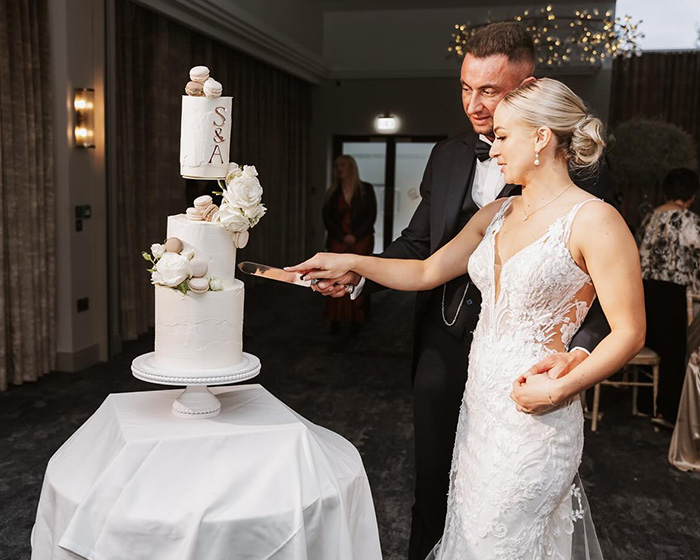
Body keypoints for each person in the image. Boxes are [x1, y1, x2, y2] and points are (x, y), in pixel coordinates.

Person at [289, 77, 645, 559]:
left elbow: (629, 331)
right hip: (478, 411)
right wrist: (350, 262)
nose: (492, 147)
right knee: (468, 531)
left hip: (536, 411)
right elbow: (426, 269)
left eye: (502, 136)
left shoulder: (595, 220)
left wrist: (562, 387)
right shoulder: (497, 212)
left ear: (541, 138)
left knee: (499, 541)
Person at [637, 168, 700, 426]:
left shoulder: (649, 217)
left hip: (644, 288)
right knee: (673, 351)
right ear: (691, 195)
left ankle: (644, 403)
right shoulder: (688, 220)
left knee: (647, 342)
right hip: (673, 291)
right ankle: (666, 410)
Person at [322, 155, 377, 334]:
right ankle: (336, 320)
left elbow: (371, 215)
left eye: (343, 165)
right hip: (338, 241)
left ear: (351, 167)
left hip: (361, 240)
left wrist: (355, 236)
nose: (339, 169)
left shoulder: (365, 189)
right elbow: (327, 218)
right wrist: (343, 236)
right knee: (334, 278)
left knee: (359, 277)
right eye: (337, 165)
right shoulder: (332, 192)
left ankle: (357, 319)